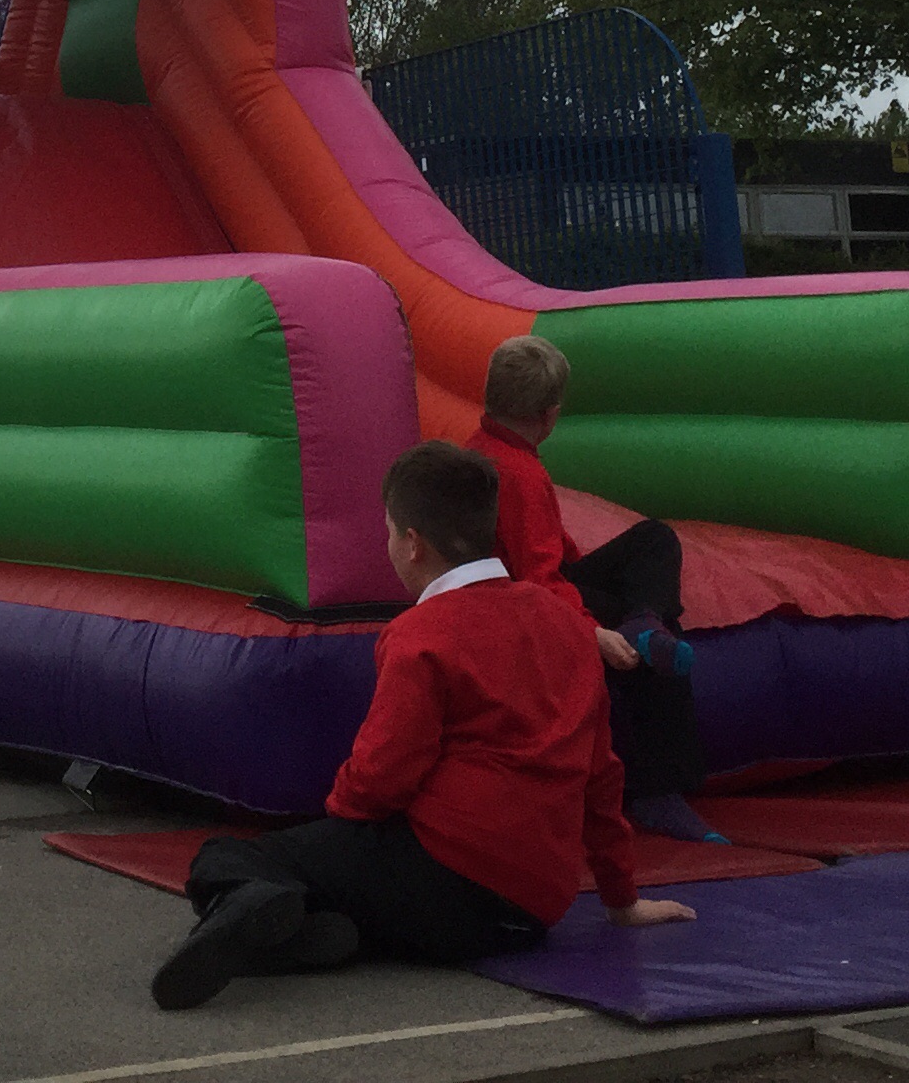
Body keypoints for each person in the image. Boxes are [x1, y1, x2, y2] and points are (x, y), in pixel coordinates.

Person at [152, 441, 693, 1009]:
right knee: (350, 890)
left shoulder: (422, 633)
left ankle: (264, 917)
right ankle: (308, 930)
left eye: (389, 531)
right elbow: (602, 775)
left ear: (413, 544)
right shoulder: (570, 626)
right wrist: (620, 898)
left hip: (441, 883)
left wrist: (340, 824)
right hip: (532, 911)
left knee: (231, 858)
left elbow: (383, 774)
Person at [467, 333, 715, 839]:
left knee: (649, 551)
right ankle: (657, 790)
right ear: (551, 415)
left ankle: (643, 618)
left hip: (517, 594)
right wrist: (591, 633)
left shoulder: (483, 449)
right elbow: (539, 577)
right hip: (528, 607)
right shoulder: (518, 474)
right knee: (646, 615)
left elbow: (551, 552)